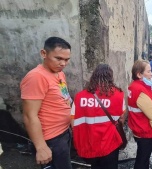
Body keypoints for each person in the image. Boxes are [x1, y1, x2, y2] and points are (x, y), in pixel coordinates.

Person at [20, 37, 73, 169]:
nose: (63, 64)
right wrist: (41, 147)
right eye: (59, 58)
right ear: (44, 53)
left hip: (64, 133)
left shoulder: (59, 74)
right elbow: (29, 115)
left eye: (66, 60)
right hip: (51, 139)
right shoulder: (36, 77)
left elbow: (65, 99)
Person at [71, 64, 125, 169]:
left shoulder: (79, 96)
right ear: (111, 77)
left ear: (93, 77)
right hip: (109, 143)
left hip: (89, 143)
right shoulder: (118, 95)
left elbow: (73, 121)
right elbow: (121, 117)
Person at [128, 60, 152, 169]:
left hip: (139, 127)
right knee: (143, 159)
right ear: (139, 74)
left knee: (142, 156)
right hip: (145, 129)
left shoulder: (134, 86)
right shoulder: (140, 90)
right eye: (149, 71)